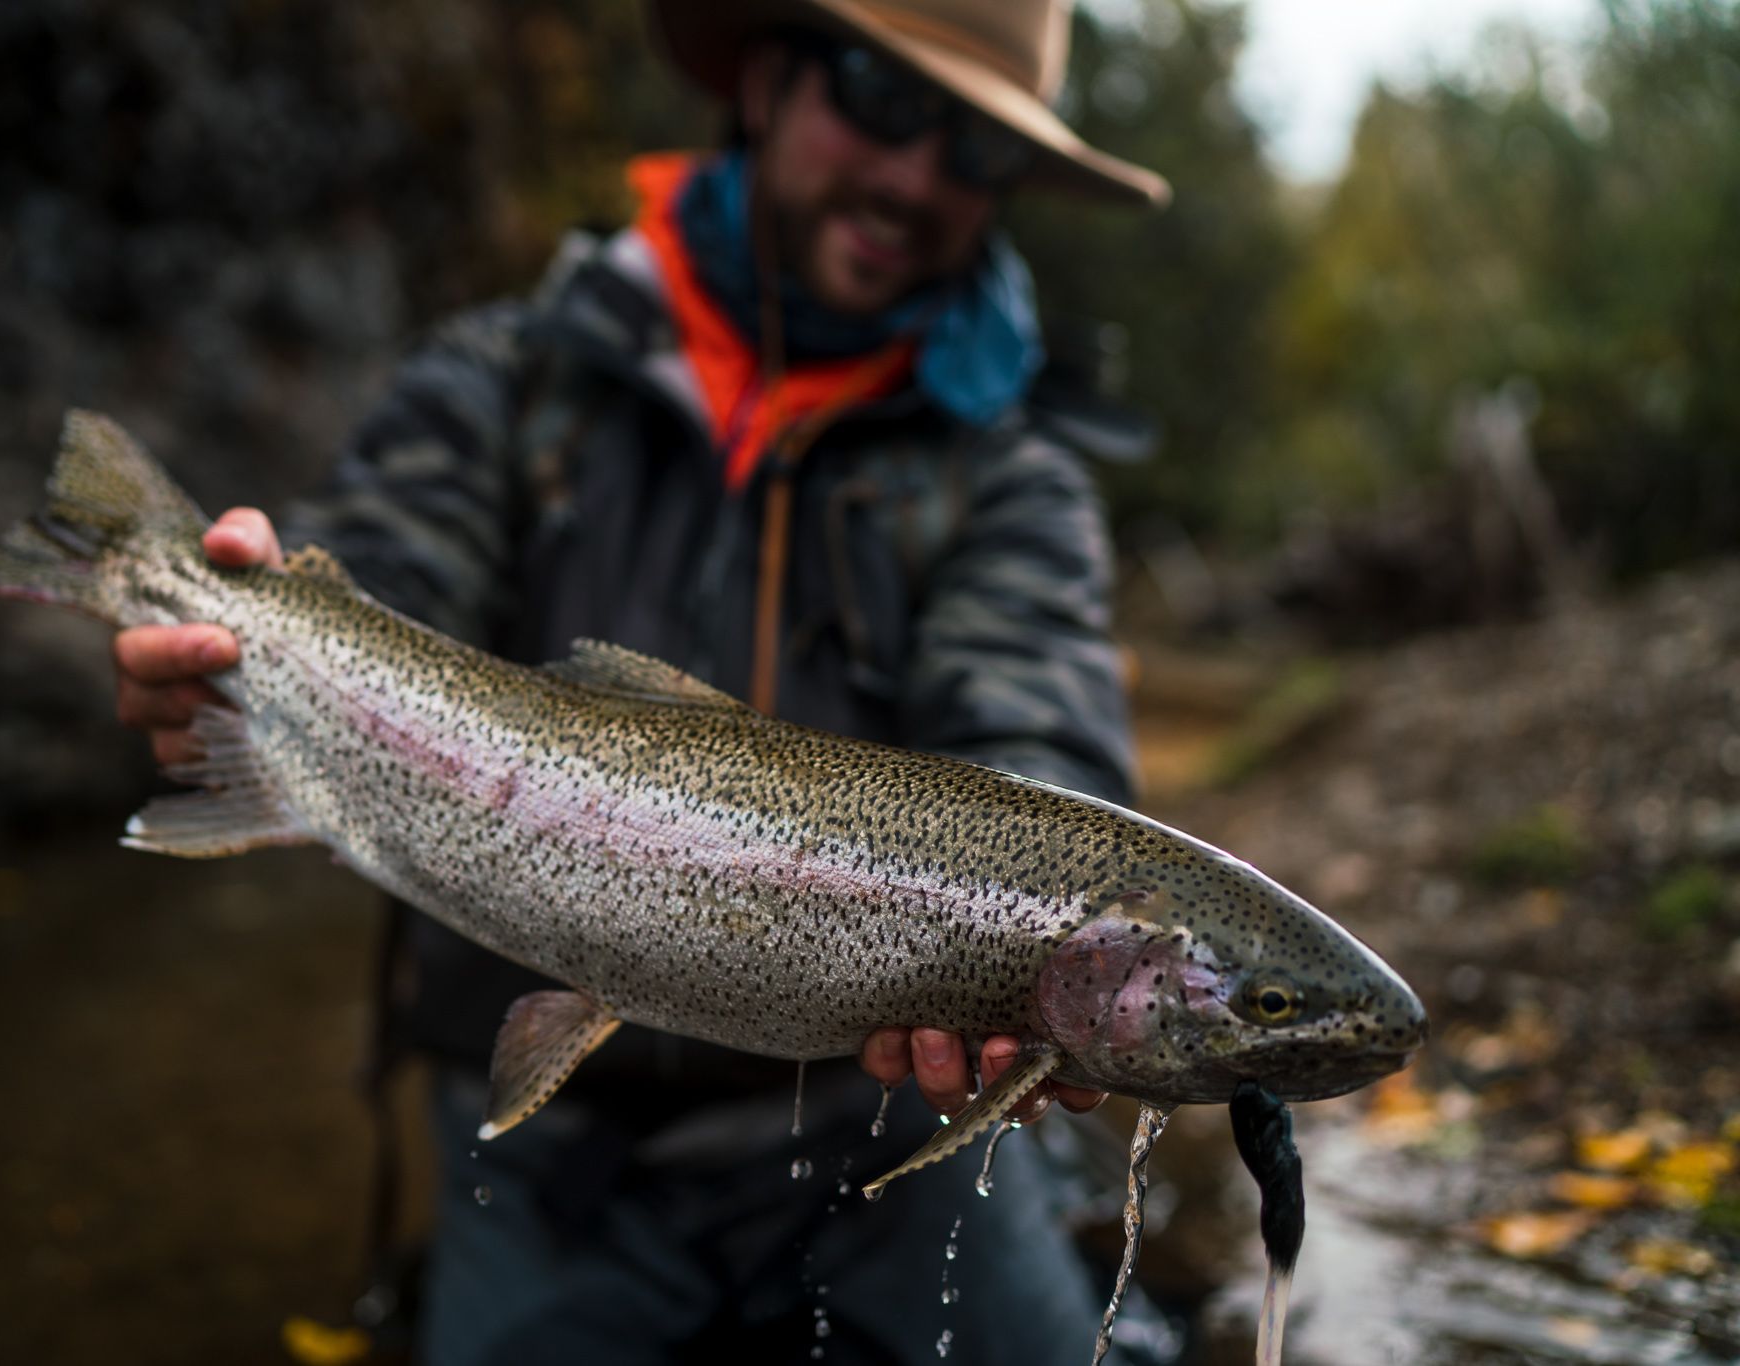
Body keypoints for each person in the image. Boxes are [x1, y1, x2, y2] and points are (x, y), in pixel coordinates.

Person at [113, 1, 1174, 1361]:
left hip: (889, 1137)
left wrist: (1034, 958)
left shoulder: (1013, 482)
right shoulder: (508, 382)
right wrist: (230, 658)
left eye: (972, 146)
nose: (915, 177)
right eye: (883, 100)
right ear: (770, 78)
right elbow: (377, 598)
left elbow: (1044, 757)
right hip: (558, 1155)